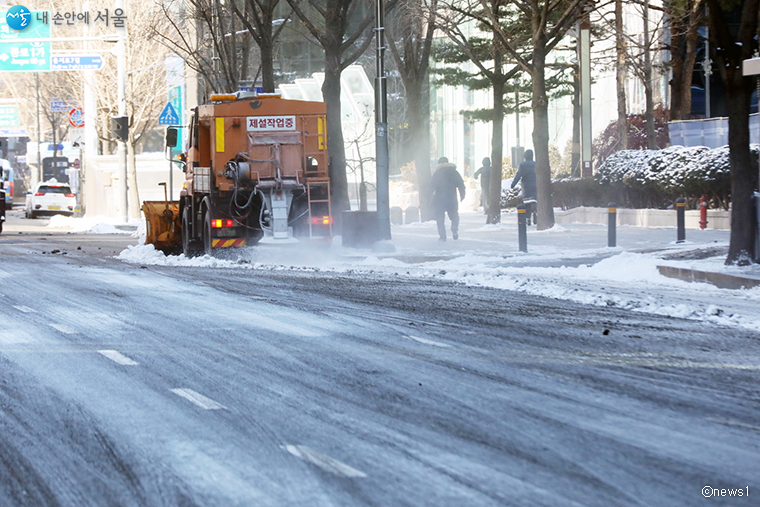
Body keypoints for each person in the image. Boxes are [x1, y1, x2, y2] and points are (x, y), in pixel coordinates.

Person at [431, 156, 466, 241]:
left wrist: (428, 198)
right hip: (452, 198)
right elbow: (461, 184)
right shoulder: (454, 172)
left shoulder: (437, 173)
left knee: (440, 218)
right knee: (454, 215)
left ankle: (442, 236)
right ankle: (454, 227)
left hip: (439, 199)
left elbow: (431, 187)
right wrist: (462, 195)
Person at [511, 149, 538, 225]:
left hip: (526, 186)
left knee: (527, 203)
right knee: (534, 201)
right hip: (535, 185)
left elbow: (518, 175)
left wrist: (513, 184)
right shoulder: (536, 164)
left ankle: (528, 218)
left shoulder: (522, 165)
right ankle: (535, 214)